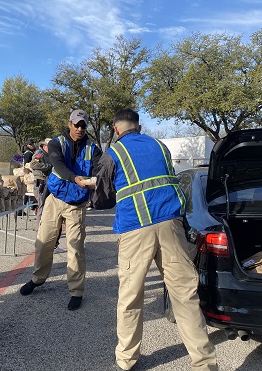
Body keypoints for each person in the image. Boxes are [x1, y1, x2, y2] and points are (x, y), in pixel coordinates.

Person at [91, 109, 218, 371]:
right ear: (139, 127)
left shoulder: (113, 153)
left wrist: (91, 187)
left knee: (130, 297)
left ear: (116, 130)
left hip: (135, 228)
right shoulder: (160, 147)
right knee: (184, 294)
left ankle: (127, 360)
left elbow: (102, 199)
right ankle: (205, 364)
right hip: (171, 225)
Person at [19, 109, 102, 311]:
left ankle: (76, 291)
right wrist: (76, 178)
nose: (80, 128)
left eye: (83, 125)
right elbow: (58, 163)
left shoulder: (94, 148)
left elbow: (101, 170)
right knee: (44, 242)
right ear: (69, 124)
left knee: (75, 249)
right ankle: (38, 278)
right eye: (76, 124)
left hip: (77, 205)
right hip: (55, 200)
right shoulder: (57, 143)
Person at [31, 138, 66, 254]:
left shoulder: (49, 154)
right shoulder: (40, 154)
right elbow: (34, 164)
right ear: (44, 146)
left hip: (47, 183)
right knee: (42, 208)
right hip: (41, 183)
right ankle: (40, 234)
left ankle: (49, 239)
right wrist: (48, 166)